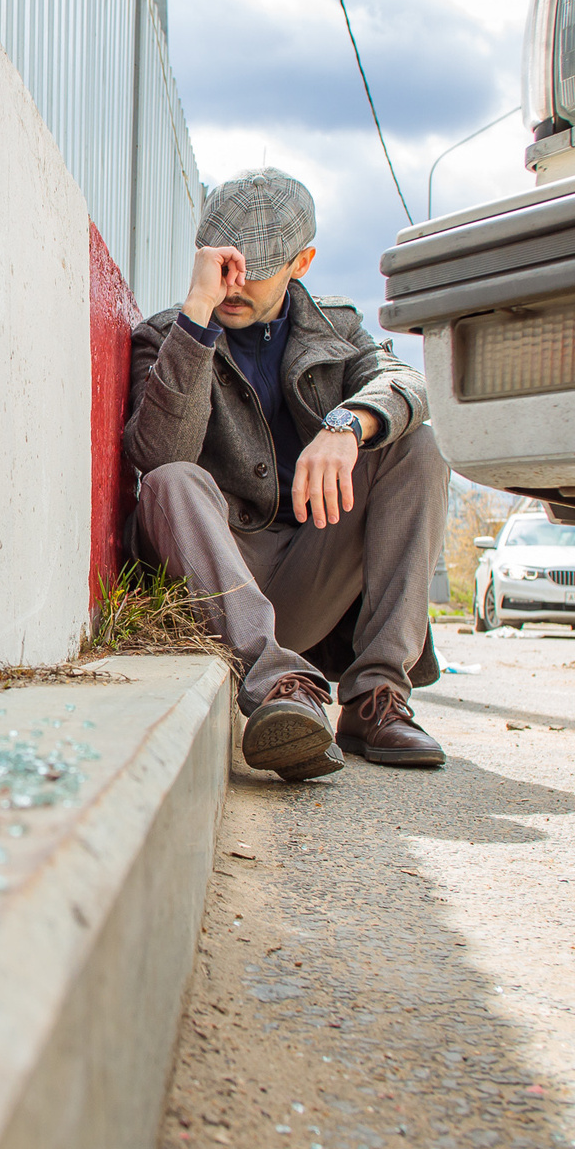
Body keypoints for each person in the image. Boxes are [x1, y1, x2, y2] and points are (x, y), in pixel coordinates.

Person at [123, 169, 449, 777]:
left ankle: (376, 696)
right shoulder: (167, 335)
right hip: (214, 582)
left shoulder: (339, 330)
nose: (235, 283)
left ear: (302, 262)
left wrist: (348, 425)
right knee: (172, 479)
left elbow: (408, 382)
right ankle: (279, 690)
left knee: (417, 447)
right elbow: (156, 451)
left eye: (259, 267)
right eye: (226, 263)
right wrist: (199, 317)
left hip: (308, 577)